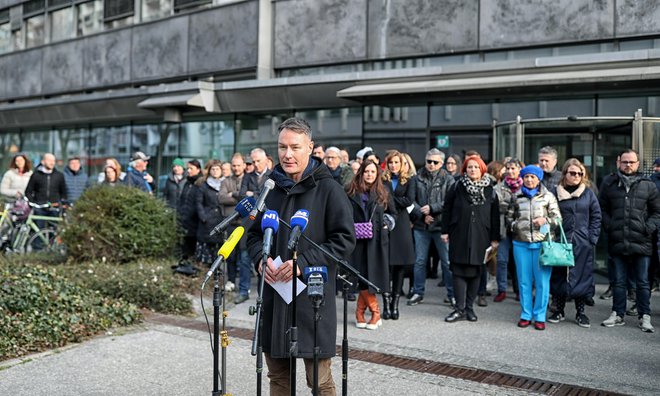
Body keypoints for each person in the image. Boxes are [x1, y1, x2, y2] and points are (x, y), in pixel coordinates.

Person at [246, 117, 355, 395]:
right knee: (278, 379)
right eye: (282, 147)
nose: (287, 154)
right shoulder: (270, 188)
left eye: (295, 147)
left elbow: (344, 240)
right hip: (274, 296)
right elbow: (253, 235)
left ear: (310, 147)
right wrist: (261, 258)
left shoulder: (329, 189)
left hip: (312, 300)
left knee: (319, 382)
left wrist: (302, 264)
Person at [599, 149, 660, 333]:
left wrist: (647, 228)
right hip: (618, 240)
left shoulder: (648, 185)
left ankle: (645, 316)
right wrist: (610, 226)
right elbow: (602, 209)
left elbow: (657, 212)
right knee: (618, 281)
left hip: (641, 241)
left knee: (642, 282)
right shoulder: (609, 183)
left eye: (631, 162)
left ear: (638, 164)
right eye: (625, 162)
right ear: (619, 162)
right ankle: (617, 314)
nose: (628, 165)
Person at [441, 155, 499, 322]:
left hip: (482, 235)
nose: (472, 170)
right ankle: (458, 309)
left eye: (476, 167)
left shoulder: (490, 189)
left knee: (476, 272)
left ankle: (469, 308)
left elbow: (495, 215)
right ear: (464, 170)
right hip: (459, 233)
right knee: (458, 271)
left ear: (482, 169)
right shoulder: (457, 186)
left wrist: (495, 238)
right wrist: (445, 231)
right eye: (469, 167)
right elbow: (447, 208)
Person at [547, 158, 601, 328]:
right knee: (559, 276)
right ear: (565, 174)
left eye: (580, 173)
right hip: (560, 242)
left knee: (582, 276)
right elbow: (548, 213)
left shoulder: (588, 193)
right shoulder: (555, 193)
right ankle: (559, 310)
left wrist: (591, 238)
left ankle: (581, 313)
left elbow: (596, 217)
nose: (576, 176)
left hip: (582, 242)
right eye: (572, 173)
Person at [506, 165, 561, 331]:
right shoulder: (516, 196)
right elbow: (509, 218)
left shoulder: (548, 196)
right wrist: (517, 226)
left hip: (543, 244)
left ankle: (539, 316)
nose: (529, 180)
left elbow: (558, 219)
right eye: (527, 177)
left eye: (533, 177)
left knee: (542, 282)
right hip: (520, 243)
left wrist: (546, 221)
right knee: (524, 281)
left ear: (539, 178)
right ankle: (526, 314)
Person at [348, 160, 395, 330]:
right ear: (361, 172)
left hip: (376, 241)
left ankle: (366, 312)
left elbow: (393, 213)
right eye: (367, 171)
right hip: (357, 240)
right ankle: (374, 313)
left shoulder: (384, 192)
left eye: (373, 172)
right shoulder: (350, 190)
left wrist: (386, 224)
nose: (369, 174)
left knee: (371, 277)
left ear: (377, 174)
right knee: (361, 276)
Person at [408, 148, 455, 306]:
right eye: (429, 161)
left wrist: (432, 208)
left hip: (441, 226)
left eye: (435, 162)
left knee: (447, 262)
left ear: (441, 163)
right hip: (422, 226)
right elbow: (410, 201)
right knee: (420, 261)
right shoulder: (416, 178)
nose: (431, 164)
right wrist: (422, 213)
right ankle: (417, 292)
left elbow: (450, 202)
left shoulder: (448, 179)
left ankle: (452, 294)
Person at [382, 150, 416, 320]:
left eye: (396, 162)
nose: (393, 165)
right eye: (391, 163)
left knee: (400, 266)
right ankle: (386, 305)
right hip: (386, 223)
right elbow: (379, 199)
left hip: (402, 225)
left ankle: (395, 305)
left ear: (402, 163)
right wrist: (391, 201)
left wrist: (390, 200)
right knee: (386, 266)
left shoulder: (410, 179)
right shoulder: (383, 180)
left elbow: (409, 200)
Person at [219, 153, 252, 304]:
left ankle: (245, 287)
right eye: (234, 165)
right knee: (230, 255)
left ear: (244, 165)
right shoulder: (226, 181)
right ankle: (231, 281)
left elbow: (250, 199)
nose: (236, 168)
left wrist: (234, 195)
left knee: (245, 256)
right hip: (231, 223)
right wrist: (239, 197)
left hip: (245, 224)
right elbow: (221, 198)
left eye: (239, 165)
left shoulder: (249, 179)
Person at [493, 158, 524, 302]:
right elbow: (495, 206)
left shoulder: (525, 186)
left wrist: (508, 205)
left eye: (513, 168)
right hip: (502, 229)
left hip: (519, 230)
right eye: (508, 168)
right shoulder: (498, 187)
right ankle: (502, 290)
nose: (510, 171)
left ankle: (519, 290)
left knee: (518, 262)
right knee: (502, 260)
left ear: (519, 170)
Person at [172, 159, 203, 276]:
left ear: (198, 170)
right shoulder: (187, 182)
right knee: (184, 246)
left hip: (195, 222)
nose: (188, 171)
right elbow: (182, 200)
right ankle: (185, 267)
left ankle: (192, 269)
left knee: (192, 247)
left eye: (191, 169)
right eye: (188, 168)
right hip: (184, 219)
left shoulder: (200, 183)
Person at [195, 160, 226, 271]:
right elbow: (199, 202)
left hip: (222, 219)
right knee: (208, 246)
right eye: (213, 169)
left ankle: (219, 270)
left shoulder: (225, 183)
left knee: (220, 246)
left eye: (217, 169)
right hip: (208, 220)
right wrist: (203, 216)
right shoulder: (204, 185)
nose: (215, 171)